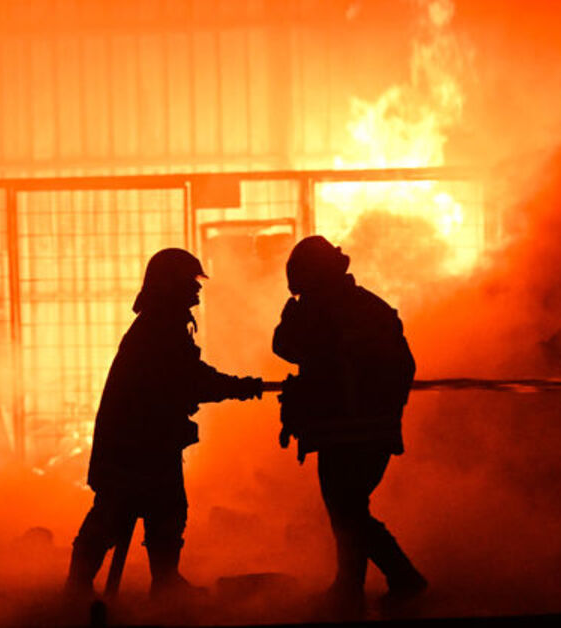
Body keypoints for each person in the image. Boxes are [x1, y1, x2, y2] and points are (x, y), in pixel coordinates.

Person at [65, 248, 263, 600]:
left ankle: (156, 584)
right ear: (171, 284)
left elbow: (184, 379)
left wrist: (239, 386)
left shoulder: (162, 322)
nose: (197, 289)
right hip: (138, 444)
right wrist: (240, 386)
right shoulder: (161, 326)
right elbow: (189, 379)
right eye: (190, 281)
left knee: (159, 510)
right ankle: (90, 587)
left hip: (145, 440)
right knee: (119, 512)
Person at [272, 235, 427, 616]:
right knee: (351, 510)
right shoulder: (372, 307)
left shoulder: (319, 311)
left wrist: (289, 317)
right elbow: (405, 366)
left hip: (343, 433)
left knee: (347, 512)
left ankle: (393, 581)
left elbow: (285, 346)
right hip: (374, 432)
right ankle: (354, 587)